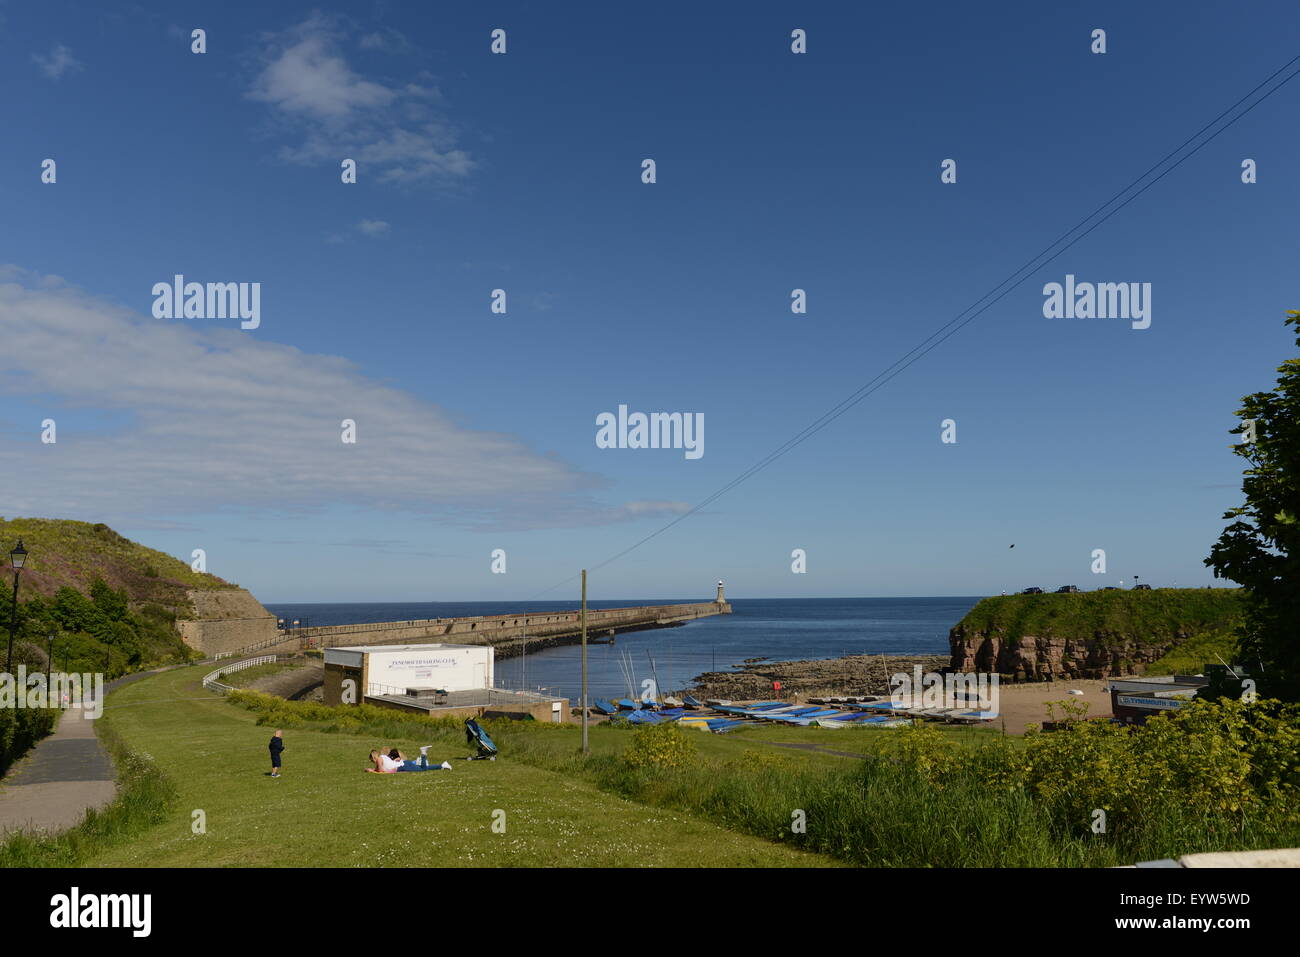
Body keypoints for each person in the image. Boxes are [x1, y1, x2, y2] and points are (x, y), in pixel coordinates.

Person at [366, 745, 451, 773]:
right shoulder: (382, 757)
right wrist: (372, 769)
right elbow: (379, 769)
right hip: (403, 764)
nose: (372, 762)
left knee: (423, 769)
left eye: (371, 760)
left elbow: (381, 771)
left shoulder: (379, 760)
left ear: (374, 758)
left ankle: (423, 753)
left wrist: (371, 771)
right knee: (423, 768)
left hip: (403, 766)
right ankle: (442, 765)